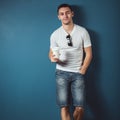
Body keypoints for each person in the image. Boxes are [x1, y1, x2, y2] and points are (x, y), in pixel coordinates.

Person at [49, 3, 92, 120]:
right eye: (62, 14)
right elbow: (51, 51)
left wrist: (83, 70)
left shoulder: (83, 32)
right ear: (59, 17)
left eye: (67, 13)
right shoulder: (55, 34)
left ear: (72, 14)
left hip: (78, 73)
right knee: (64, 107)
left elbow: (89, 53)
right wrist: (51, 57)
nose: (65, 16)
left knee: (80, 108)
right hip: (61, 73)